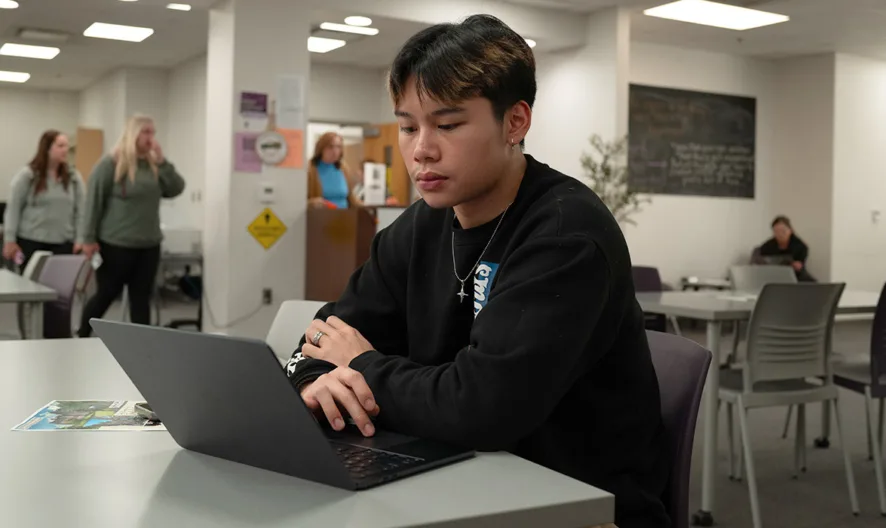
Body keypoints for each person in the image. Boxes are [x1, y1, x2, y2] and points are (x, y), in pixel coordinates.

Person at [285, 15, 669, 528]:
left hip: (572, 501)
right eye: (407, 126)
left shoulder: (565, 235)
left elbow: (482, 409)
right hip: (452, 478)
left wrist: (364, 367)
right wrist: (314, 380)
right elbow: (324, 337)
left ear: (515, 122)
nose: (421, 149)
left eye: (447, 125)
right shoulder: (421, 225)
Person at [77, 114, 186, 337]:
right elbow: (93, 202)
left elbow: (176, 188)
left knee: (141, 298)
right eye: (146, 132)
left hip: (148, 244)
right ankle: (82, 333)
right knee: (106, 293)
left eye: (153, 133)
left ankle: (141, 346)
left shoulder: (154, 166)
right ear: (133, 134)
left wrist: (163, 162)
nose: (150, 138)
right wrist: (87, 238)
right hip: (116, 244)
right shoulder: (111, 164)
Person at [2, 130, 84, 270]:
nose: (65, 150)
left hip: (63, 243)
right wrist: (9, 240)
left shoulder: (73, 178)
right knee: (30, 287)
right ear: (47, 148)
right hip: (31, 242)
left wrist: (80, 238)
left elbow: (81, 211)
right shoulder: (28, 175)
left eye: (67, 146)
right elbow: (13, 208)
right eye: (60, 146)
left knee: (58, 288)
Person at [307, 132, 363, 209]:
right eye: (330, 147)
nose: (335, 151)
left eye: (338, 147)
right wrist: (311, 203)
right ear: (321, 148)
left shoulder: (343, 168)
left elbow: (351, 198)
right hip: (321, 217)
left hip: (345, 216)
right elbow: (298, 201)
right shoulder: (311, 169)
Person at [758, 215, 816, 282]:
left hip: (795, 275)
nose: (780, 234)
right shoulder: (767, 246)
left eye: (783, 231)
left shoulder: (800, 246)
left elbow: (800, 265)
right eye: (776, 231)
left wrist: (797, 265)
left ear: (790, 230)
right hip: (772, 275)